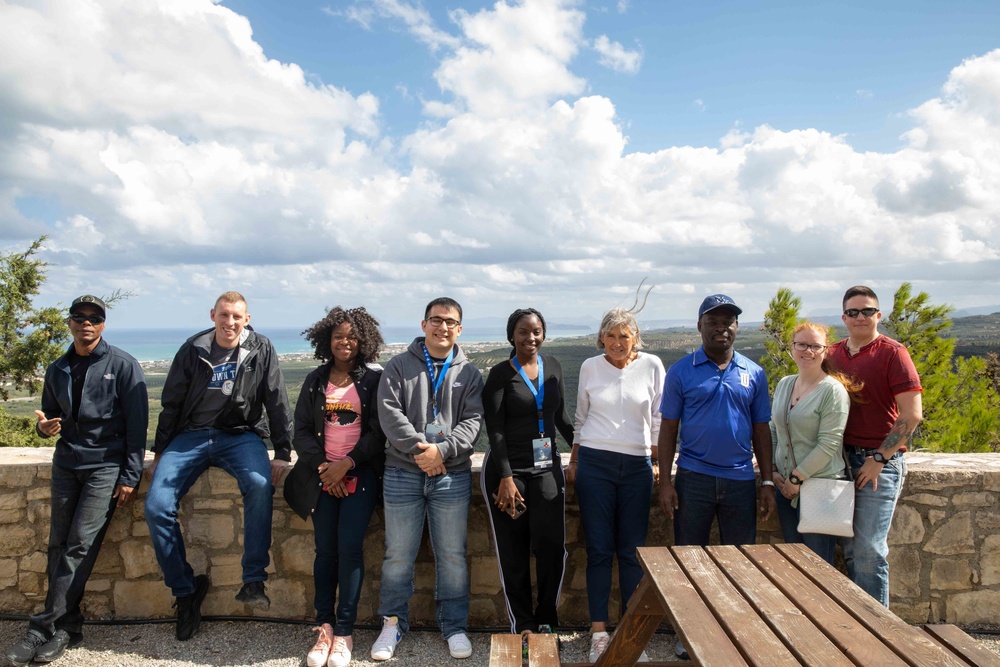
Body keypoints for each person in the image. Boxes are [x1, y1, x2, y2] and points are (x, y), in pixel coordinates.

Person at [4, 295, 148, 667]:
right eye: (79, 317)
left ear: (102, 324)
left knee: (80, 544)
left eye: (94, 318)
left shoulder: (124, 366)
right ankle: (68, 627)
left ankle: (40, 628)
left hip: (104, 467)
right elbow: (47, 417)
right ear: (69, 323)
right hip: (66, 463)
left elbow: (137, 427)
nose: (86, 323)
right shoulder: (58, 369)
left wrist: (130, 475)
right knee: (58, 545)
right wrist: (42, 427)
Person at [144, 291, 292, 641]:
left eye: (237, 317)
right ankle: (185, 592)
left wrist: (283, 451)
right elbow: (171, 401)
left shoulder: (261, 348)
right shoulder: (193, 348)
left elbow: (277, 398)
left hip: (239, 435)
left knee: (259, 484)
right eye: (224, 315)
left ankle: (253, 578)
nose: (230, 323)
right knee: (156, 506)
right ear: (213, 315)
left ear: (247, 319)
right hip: (190, 437)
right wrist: (160, 451)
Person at [657, 294, 775, 660]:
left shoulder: (753, 373)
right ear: (699, 327)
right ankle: (688, 633)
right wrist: (665, 482)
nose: (721, 328)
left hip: (741, 480)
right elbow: (668, 430)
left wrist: (767, 481)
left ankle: (736, 632)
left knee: (739, 562)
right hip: (694, 478)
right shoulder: (681, 371)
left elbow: (761, 432)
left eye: (729, 321)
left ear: (738, 327)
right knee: (689, 560)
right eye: (713, 321)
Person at [370, 297, 485, 661]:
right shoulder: (399, 366)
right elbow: (389, 414)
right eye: (436, 320)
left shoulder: (469, 373)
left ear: (459, 329)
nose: (443, 327)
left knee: (451, 556)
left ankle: (454, 626)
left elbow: (473, 422)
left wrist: (443, 451)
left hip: (452, 475)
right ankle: (392, 624)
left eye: (450, 322)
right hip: (403, 473)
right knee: (397, 556)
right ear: (424, 325)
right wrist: (424, 452)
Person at [284, 307, 387, 667]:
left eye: (352, 336)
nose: (346, 342)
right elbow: (300, 431)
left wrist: (347, 465)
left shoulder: (372, 380)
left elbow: (378, 432)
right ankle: (324, 627)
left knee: (350, 548)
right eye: (338, 336)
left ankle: (344, 632)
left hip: (359, 475)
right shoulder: (315, 380)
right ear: (327, 340)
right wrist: (326, 469)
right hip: (323, 477)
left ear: (364, 342)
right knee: (325, 550)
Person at [567, 298, 665, 663]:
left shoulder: (653, 365)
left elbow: (658, 417)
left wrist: (656, 461)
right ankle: (599, 634)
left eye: (624, 335)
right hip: (595, 463)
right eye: (610, 335)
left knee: (631, 552)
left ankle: (629, 633)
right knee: (598, 550)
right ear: (601, 338)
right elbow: (581, 417)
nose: (618, 342)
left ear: (636, 337)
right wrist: (575, 460)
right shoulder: (591, 367)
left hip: (637, 465)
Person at [481, 308, 575, 644]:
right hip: (510, 473)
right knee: (514, 548)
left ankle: (547, 618)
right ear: (512, 336)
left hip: (546, 468)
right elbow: (494, 430)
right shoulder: (499, 375)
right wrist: (505, 476)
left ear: (543, 334)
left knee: (551, 545)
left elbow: (561, 415)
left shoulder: (553, 367)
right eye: (523, 332)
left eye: (536, 331)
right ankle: (522, 621)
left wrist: (581, 449)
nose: (530, 338)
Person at [827, 285, 922, 606]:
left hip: (878, 463)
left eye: (867, 311)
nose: (860, 317)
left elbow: (911, 415)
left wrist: (879, 459)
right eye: (853, 312)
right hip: (840, 462)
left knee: (869, 550)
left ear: (878, 315)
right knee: (851, 550)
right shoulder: (833, 354)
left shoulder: (893, 353)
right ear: (844, 317)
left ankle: (879, 635)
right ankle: (861, 626)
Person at [770, 322, 859, 564]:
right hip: (785, 487)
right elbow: (774, 429)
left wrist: (796, 479)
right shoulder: (785, 384)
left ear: (825, 350)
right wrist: (774, 471)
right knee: (794, 563)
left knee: (817, 566)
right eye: (802, 344)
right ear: (792, 347)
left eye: (815, 346)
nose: (808, 351)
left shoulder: (832, 391)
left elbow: (829, 443)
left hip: (819, 487)